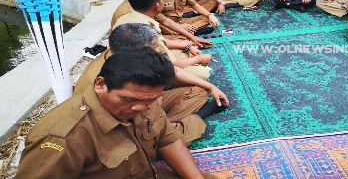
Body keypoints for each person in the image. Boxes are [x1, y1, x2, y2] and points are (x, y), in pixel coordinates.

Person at [16, 48, 219, 178]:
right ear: (101, 85)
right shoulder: (62, 139)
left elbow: (167, 139)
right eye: (128, 99)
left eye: (150, 99)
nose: (140, 108)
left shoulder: (144, 98)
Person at [74, 23, 229, 145]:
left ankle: (165, 125)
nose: (156, 54)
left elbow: (172, 70)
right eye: (154, 49)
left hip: (132, 109)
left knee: (198, 91)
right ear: (137, 51)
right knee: (174, 140)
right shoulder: (108, 78)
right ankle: (187, 122)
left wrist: (210, 87)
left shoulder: (127, 57)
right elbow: (113, 121)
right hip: (116, 122)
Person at [115, 0, 213, 80]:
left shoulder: (134, 15)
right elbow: (171, 66)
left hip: (137, 60)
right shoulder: (146, 32)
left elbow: (161, 40)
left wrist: (187, 45)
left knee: (185, 51)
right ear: (157, 6)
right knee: (202, 73)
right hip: (144, 72)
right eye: (162, 0)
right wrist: (199, 59)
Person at [111, 0, 213, 47]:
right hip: (137, 46)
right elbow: (147, 44)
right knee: (183, 40)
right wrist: (187, 45)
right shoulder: (130, 13)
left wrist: (191, 36)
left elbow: (165, 21)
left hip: (151, 37)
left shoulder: (143, 2)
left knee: (185, 37)